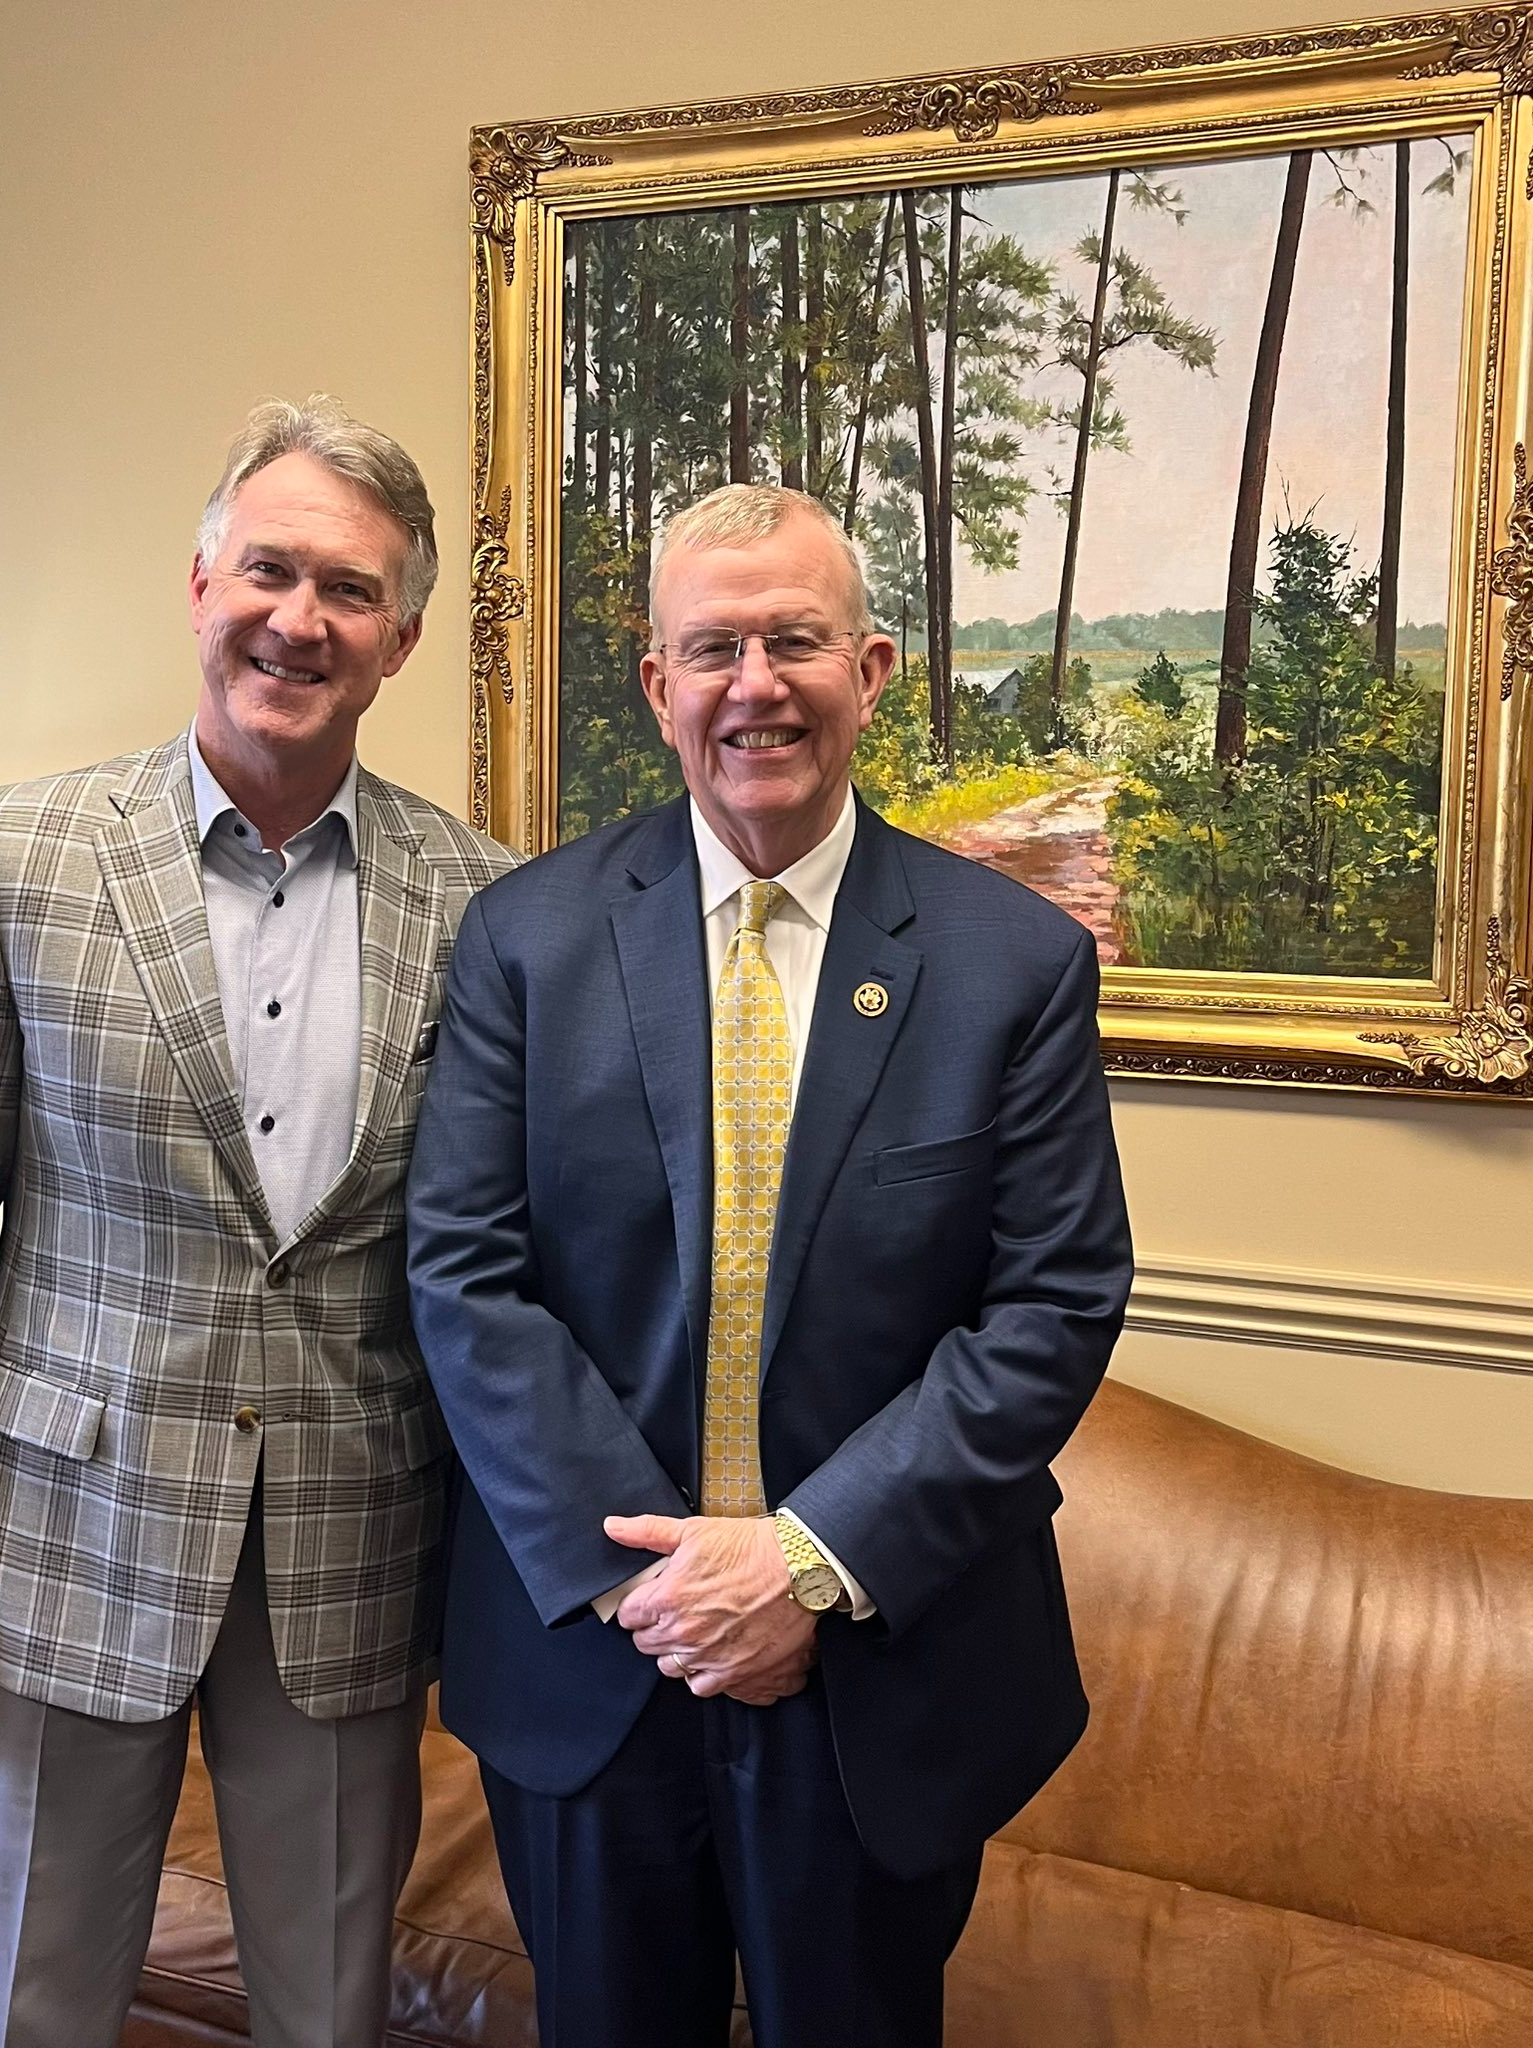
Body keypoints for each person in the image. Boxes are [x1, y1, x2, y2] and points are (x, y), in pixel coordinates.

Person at [407, 483, 1133, 2048]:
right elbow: (466, 1272)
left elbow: (1053, 1304)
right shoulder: (523, 942)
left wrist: (800, 1561)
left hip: (880, 1659)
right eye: (713, 647)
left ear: (870, 670)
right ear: (658, 685)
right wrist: (665, 1583)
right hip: (597, 1653)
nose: (756, 685)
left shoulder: (1014, 966)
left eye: (794, 641)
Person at [0, 396, 516, 2048]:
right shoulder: (18, 856)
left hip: (349, 1554)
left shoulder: (490, 902)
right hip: (60, 1538)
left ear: (402, 639)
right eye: (268, 571)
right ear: (200, 583)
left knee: (326, 2019)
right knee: (42, 2012)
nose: (300, 619)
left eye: (348, 592)